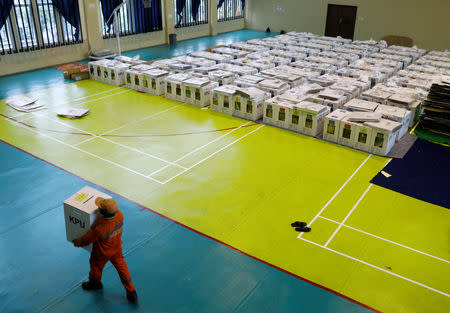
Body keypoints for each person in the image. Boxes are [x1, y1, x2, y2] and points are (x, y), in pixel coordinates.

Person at [73, 197, 137, 303]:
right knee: (122, 268)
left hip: (102, 253)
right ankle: (132, 292)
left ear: (102, 212)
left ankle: (95, 284)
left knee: (96, 268)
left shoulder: (100, 229)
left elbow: (86, 239)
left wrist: (76, 242)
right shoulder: (120, 215)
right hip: (116, 248)